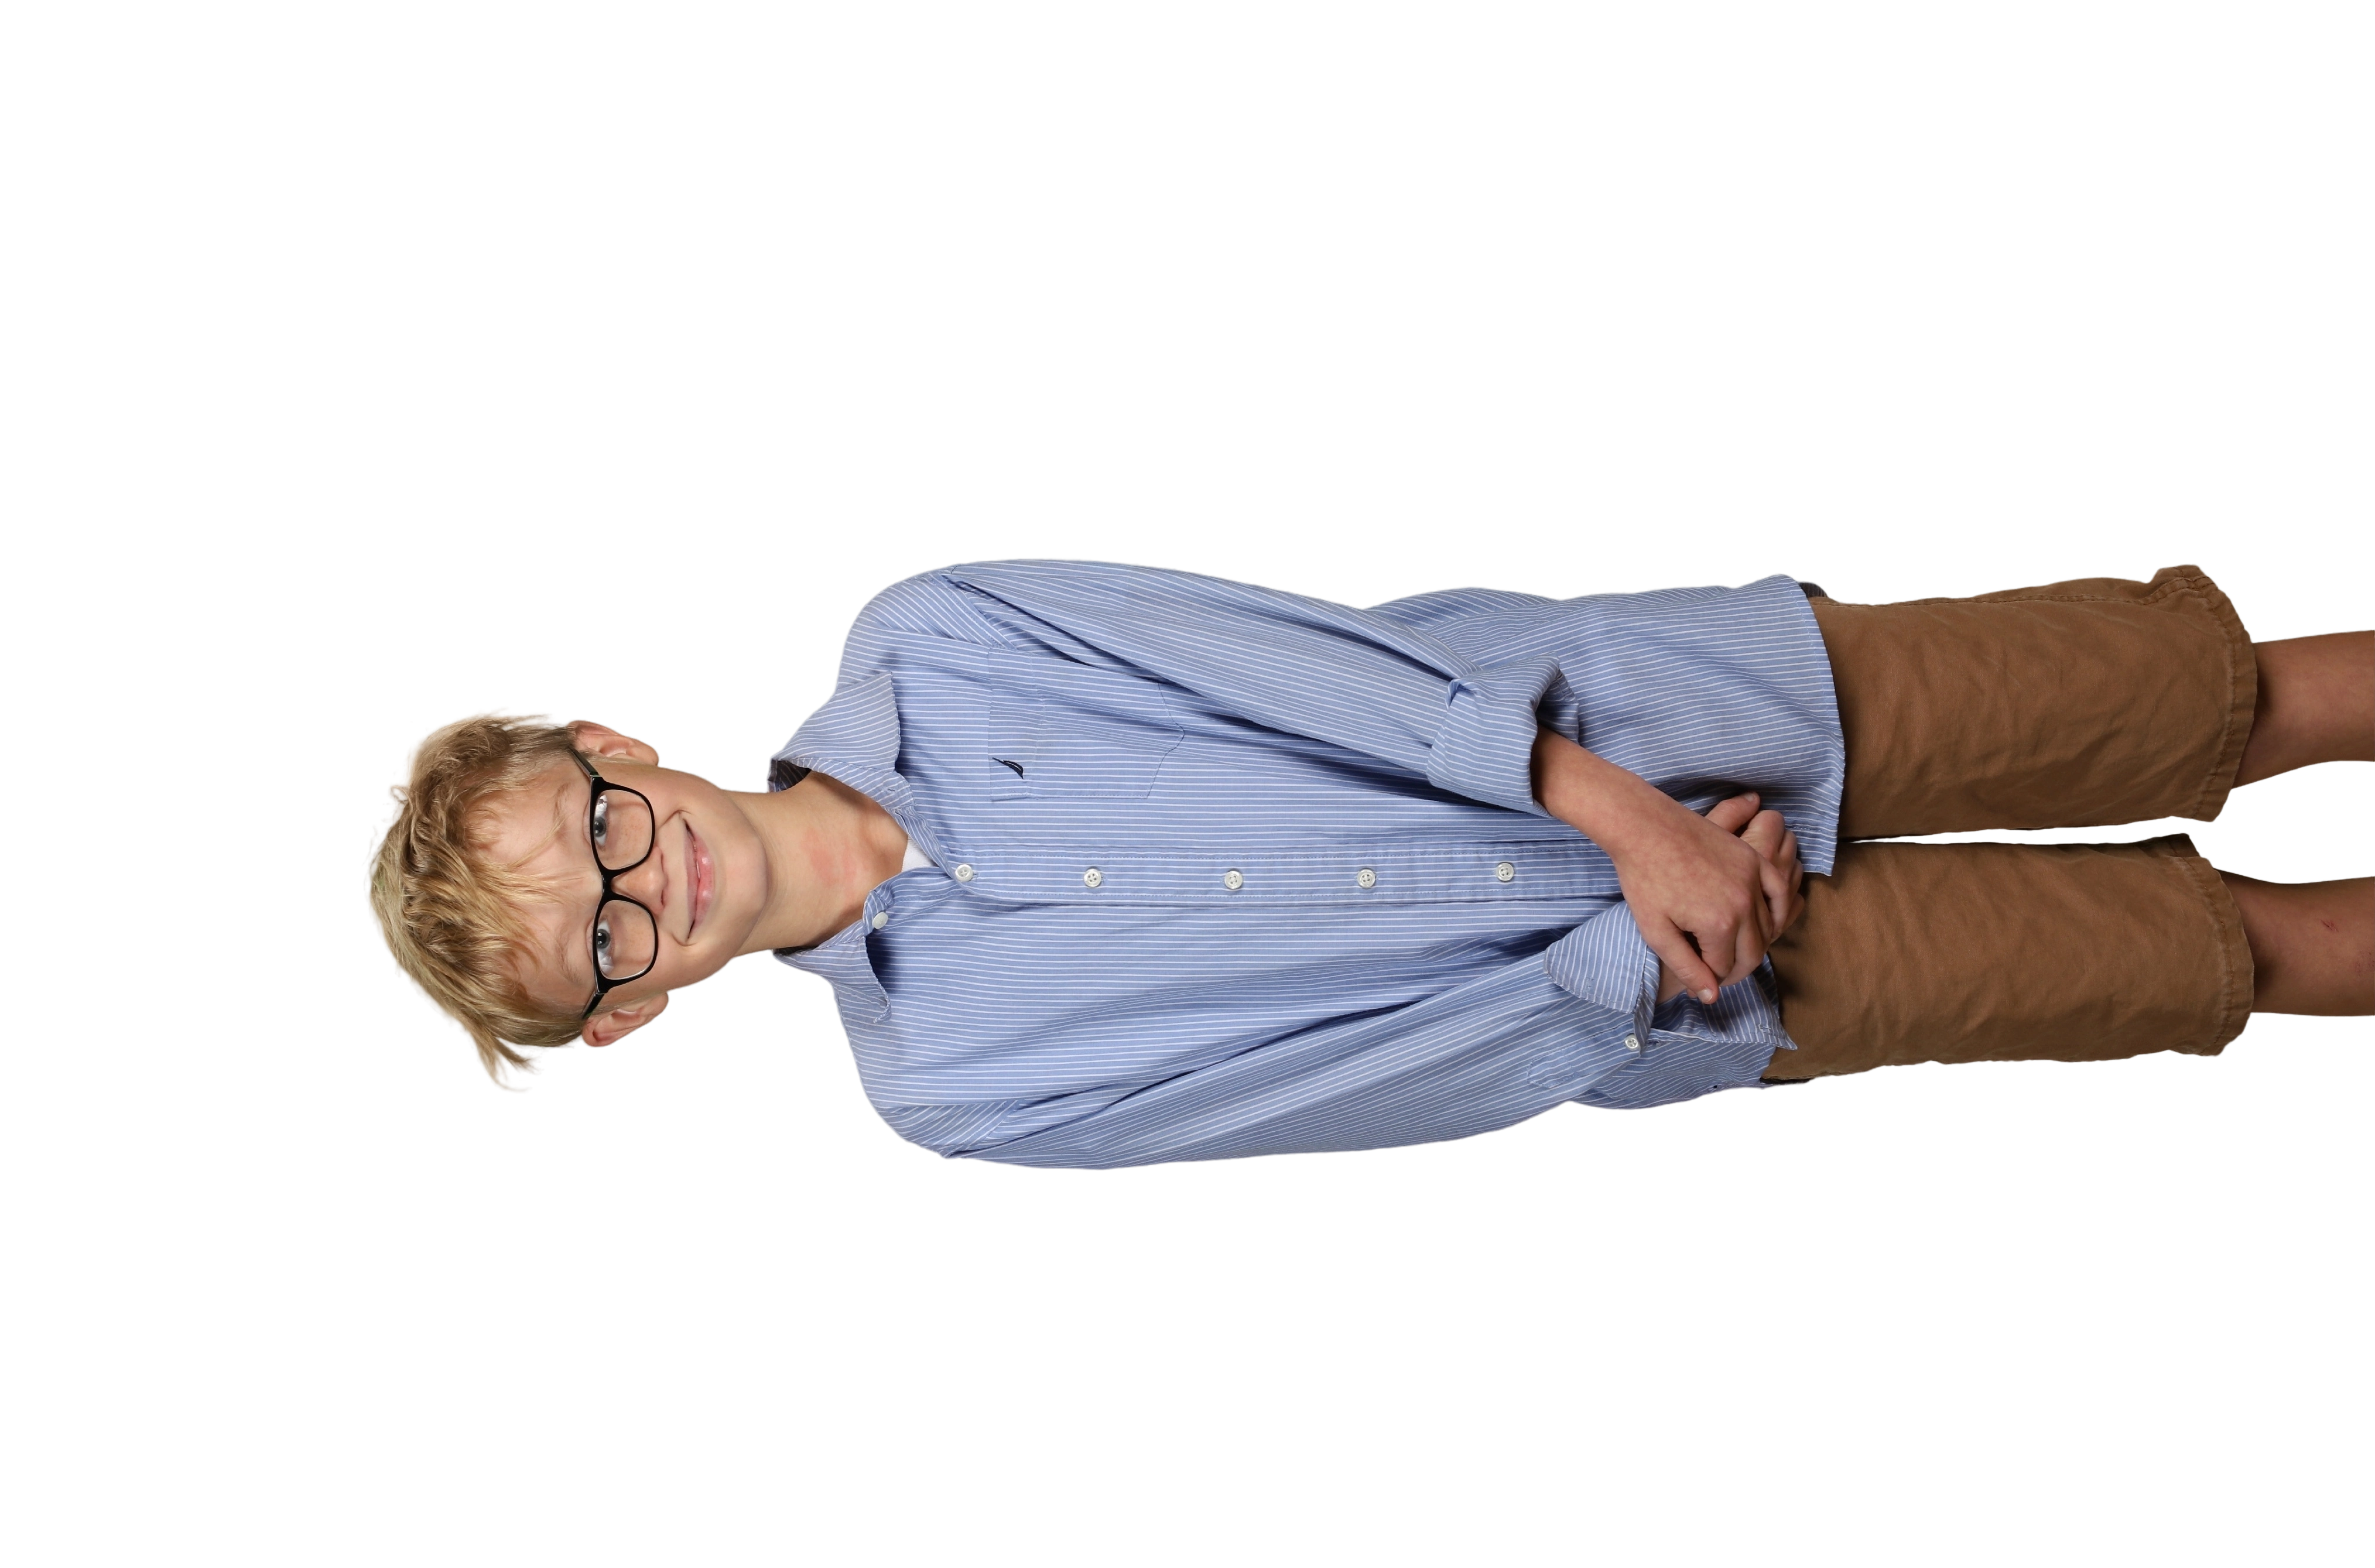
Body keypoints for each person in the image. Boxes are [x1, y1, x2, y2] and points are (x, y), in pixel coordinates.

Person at [360, 559, 2374, 1171]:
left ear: (616, 753)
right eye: (606, 935)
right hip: (1705, 990)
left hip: (1688, 710)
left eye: (601, 831)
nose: (650, 882)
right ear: (633, 1012)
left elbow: (1301, 667)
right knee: (2240, 956)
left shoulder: (935, 640)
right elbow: (1342, 1088)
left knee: (2224, 696)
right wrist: (1631, 959)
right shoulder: (953, 1087)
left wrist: (1632, 820)